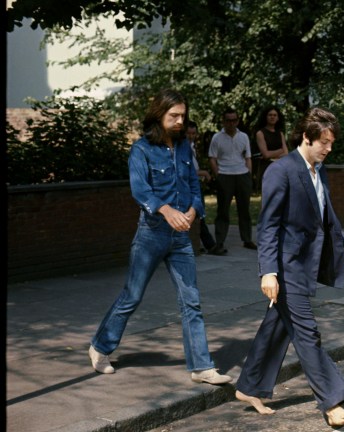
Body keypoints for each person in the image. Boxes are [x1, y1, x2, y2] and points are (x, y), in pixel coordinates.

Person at [88, 89, 232, 385]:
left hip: (181, 238)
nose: (180, 121)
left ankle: (202, 367)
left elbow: (194, 185)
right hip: (151, 234)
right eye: (174, 116)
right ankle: (100, 347)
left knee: (191, 300)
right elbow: (140, 190)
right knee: (132, 296)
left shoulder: (184, 148)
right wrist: (166, 210)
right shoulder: (141, 149)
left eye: (183, 115)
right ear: (159, 115)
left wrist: (194, 210)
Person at [235, 107, 344, 428]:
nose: (328, 148)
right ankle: (333, 401)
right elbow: (268, 226)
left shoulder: (318, 169)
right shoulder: (282, 170)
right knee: (307, 334)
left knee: (278, 326)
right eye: (324, 142)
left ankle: (249, 386)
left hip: (306, 264)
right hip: (286, 266)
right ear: (305, 137)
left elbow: (326, 213)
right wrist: (268, 271)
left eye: (331, 142)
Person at [207, 108, 258, 255]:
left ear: (238, 121)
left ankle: (247, 239)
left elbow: (248, 157)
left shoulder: (244, 137)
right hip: (225, 175)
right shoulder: (217, 137)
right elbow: (212, 158)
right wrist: (218, 175)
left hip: (242, 175)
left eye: (234, 120)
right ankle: (220, 241)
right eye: (228, 120)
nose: (231, 123)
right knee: (222, 211)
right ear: (223, 121)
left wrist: (249, 174)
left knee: (245, 210)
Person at [187, 121, 217, 253]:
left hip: (195, 183)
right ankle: (209, 244)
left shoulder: (192, 146)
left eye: (193, 133)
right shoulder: (182, 148)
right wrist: (204, 173)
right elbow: (187, 170)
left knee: (200, 214)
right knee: (199, 213)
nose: (191, 136)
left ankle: (202, 244)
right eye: (188, 133)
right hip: (190, 184)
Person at [252, 106, 289, 194]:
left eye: (275, 115)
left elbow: (286, 153)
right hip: (266, 169)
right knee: (268, 196)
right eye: (270, 115)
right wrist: (280, 151)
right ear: (265, 117)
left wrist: (272, 154)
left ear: (278, 118)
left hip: (280, 168)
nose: (272, 117)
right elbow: (266, 155)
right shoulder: (260, 133)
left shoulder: (280, 133)